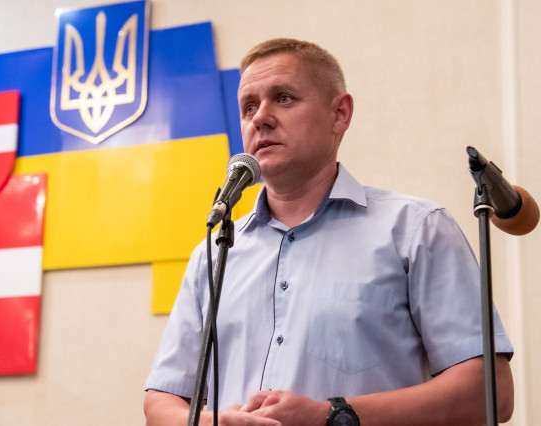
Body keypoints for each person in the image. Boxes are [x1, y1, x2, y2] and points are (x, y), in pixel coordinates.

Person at [144, 38, 515, 426]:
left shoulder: (415, 229)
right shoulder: (215, 251)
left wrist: (330, 416)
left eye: (283, 99)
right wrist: (215, 423)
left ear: (339, 114)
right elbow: (161, 402)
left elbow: (492, 392)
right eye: (248, 107)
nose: (260, 118)